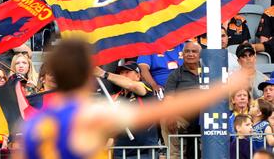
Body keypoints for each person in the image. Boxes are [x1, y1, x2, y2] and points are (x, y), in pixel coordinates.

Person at [22, 38, 253, 159]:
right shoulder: (86, 114)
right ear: (85, 74)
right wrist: (224, 88)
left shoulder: (36, 123)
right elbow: (157, 112)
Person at [163, 41, 203, 158]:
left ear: (200, 55)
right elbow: (169, 98)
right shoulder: (175, 75)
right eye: (187, 51)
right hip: (183, 117)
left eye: (194, 51)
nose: (190, 54)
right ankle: (175, 155)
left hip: (205, 115)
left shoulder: (208, 72)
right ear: (182, 54)